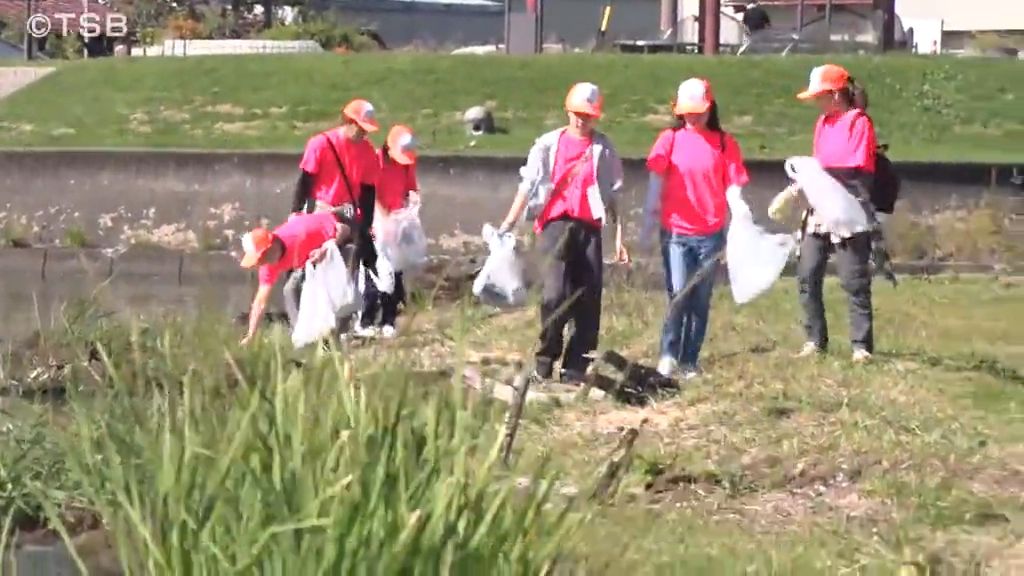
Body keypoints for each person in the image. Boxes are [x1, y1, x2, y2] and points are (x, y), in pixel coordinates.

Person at [497, 82, 628, 385]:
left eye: (588, 115)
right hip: (556, 224)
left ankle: (576, 366)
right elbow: (527, 186)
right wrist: (508, 223)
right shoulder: (547, 144)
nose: (582, 120)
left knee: (588, 297)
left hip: (589, 227)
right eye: (577, 113)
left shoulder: (604, 148)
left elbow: (613, 195)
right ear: (568, 111)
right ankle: (545, 359)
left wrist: (620, 235)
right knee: (555, 294)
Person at [767, 64, 884, 364]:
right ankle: (814, 340)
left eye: (820, 96)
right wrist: (800, 188)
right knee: (807, 274)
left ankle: (861, 346)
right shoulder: (823, 123)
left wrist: (811, 174)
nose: (816, 102)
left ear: (835, 94)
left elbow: (850, 165)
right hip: (819, 209)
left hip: (849, 210)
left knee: (853, 279)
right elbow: (820, 164)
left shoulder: (859, 123)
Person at [639, 78, 750, 380]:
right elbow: (655, 182)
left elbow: (733, 188)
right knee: (678, 294)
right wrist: (648, 225)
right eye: (687, 111)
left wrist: (741, 216)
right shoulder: (669, 140)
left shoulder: (724, 143)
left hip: (710, 233)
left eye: (698, 111)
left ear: (710, 108)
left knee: (701, 299)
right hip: (675, 232)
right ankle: (667, 354)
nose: (692, 116)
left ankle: (690, 360)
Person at [238, 211, 351, 345]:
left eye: (263, 257)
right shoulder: (268, 265)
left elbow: (344, 229)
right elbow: (260, 302)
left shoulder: (302, 234)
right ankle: (304, 338)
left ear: (272, 245)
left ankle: (338, 334)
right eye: (259, 260)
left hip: (342, 242)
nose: (263, 262)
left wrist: (327, 248)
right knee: (291, 290)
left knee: (335, 292)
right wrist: (251, 335)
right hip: (313, 261)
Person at [355, 124, 420, 339]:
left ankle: (388, 320)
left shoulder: (406, 164)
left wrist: (412, 201)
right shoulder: (374, 162)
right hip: (377, 225)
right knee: (375, 274)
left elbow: (410, 188)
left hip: (397, 224)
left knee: (396, 272)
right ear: (388, 148)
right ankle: (366, 320)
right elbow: (369, 196)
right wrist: (383, 220)